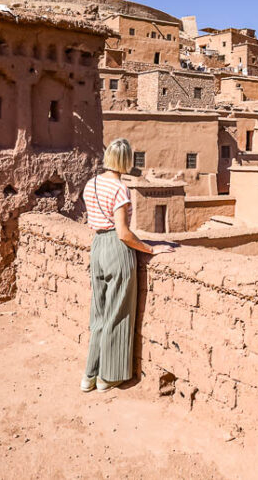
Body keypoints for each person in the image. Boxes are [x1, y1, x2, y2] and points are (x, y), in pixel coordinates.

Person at [80, 138, 175, 392]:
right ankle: (108, 377)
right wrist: (151, 248)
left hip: (97, 247)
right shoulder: (120, 189)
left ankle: (89, 375)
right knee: (118, 313)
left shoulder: (91, 184)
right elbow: (123, 232)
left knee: (99, 313)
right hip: (116, 249)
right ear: (126, 161)